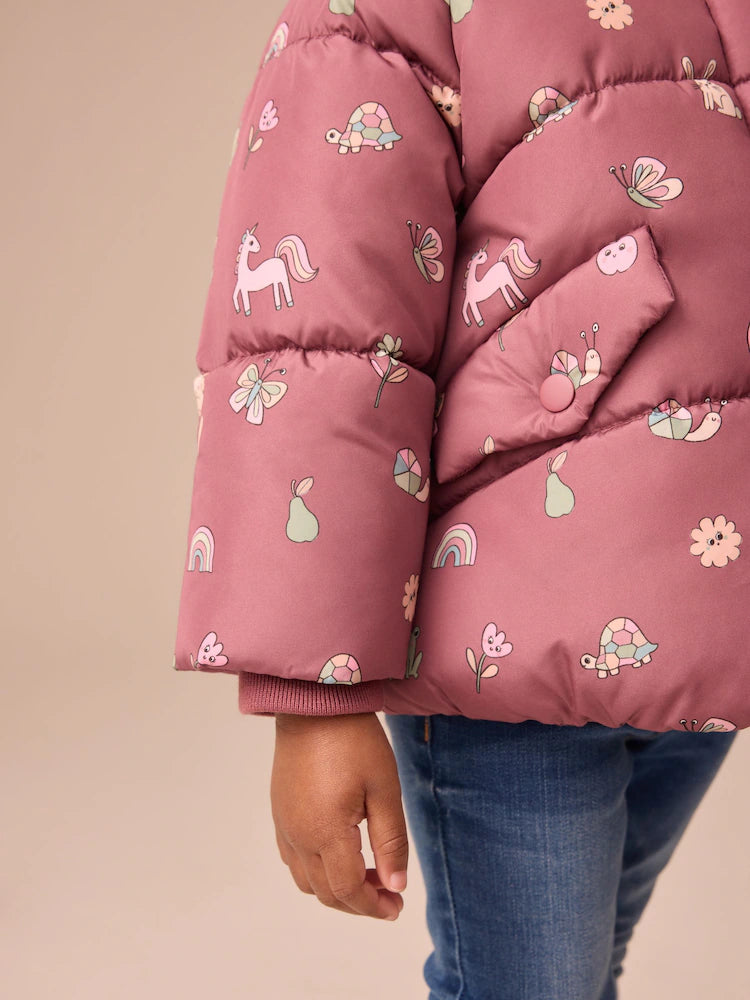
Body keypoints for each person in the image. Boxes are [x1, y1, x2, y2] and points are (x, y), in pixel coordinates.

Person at [172, 0, 749, 996]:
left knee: (578, 970)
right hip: (504, 635)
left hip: (704, 618)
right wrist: (316, 699)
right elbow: (320, 340)